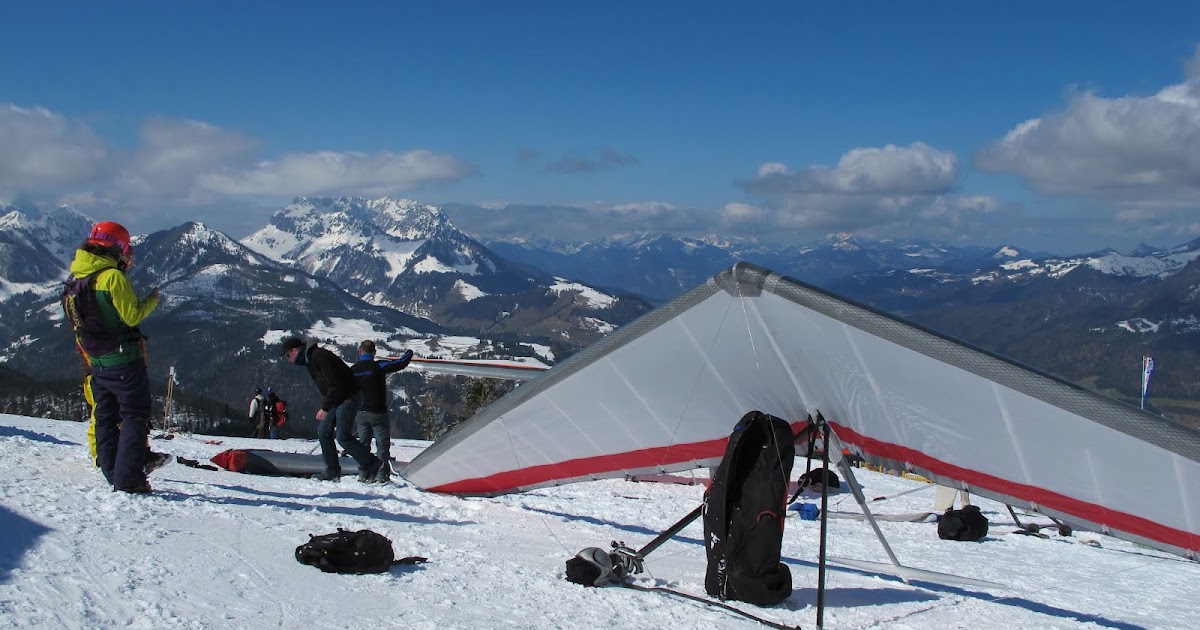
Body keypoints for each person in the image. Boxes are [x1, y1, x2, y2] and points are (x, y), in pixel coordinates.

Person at [62, 221, 160, 493]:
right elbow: (132, 315)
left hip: (96, 361)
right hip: (123, 359)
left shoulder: (77, 277)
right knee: (135, 415)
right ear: (117, 249)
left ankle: (111, 471)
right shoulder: (112, 278)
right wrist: (152, 300)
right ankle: (128, 479)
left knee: (105, 416)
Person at [279, 337, 382, 482]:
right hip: (339, 397)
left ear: (296, 350)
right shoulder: (310, 360)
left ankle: (372, 463)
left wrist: (326, 408)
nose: (289, 360)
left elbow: (335, 384)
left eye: (288, 355)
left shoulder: (319, 356)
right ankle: (332, 470)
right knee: (323, 431)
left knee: (342, 436)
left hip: (348, 395)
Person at [351, 341, 414, 483]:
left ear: (360, 351)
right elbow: (400, 363)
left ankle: (364, 473)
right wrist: (409, 353)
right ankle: (381, 475)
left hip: (361, 412)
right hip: (378, 412)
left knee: (363, 445)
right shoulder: (377, 366)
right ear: (374, 352)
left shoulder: (354, 369)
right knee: (382, 445)